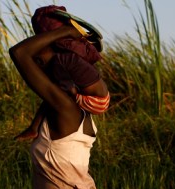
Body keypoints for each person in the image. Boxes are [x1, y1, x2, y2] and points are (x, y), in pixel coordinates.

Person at [9, 11, 122, 189]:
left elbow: (19, 53)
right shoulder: (72, 109)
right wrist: (33, 126)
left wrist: (65, 33)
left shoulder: (65, 109)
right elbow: (49, 93)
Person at [14, 6, 110, 141]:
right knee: (56, 90)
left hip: (95, 101)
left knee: (58, 88)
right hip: (97, 100)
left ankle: (33, 128)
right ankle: (33, 129)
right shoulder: (71, 56)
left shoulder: (65, 59)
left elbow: (18, 52)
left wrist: (65, 31)